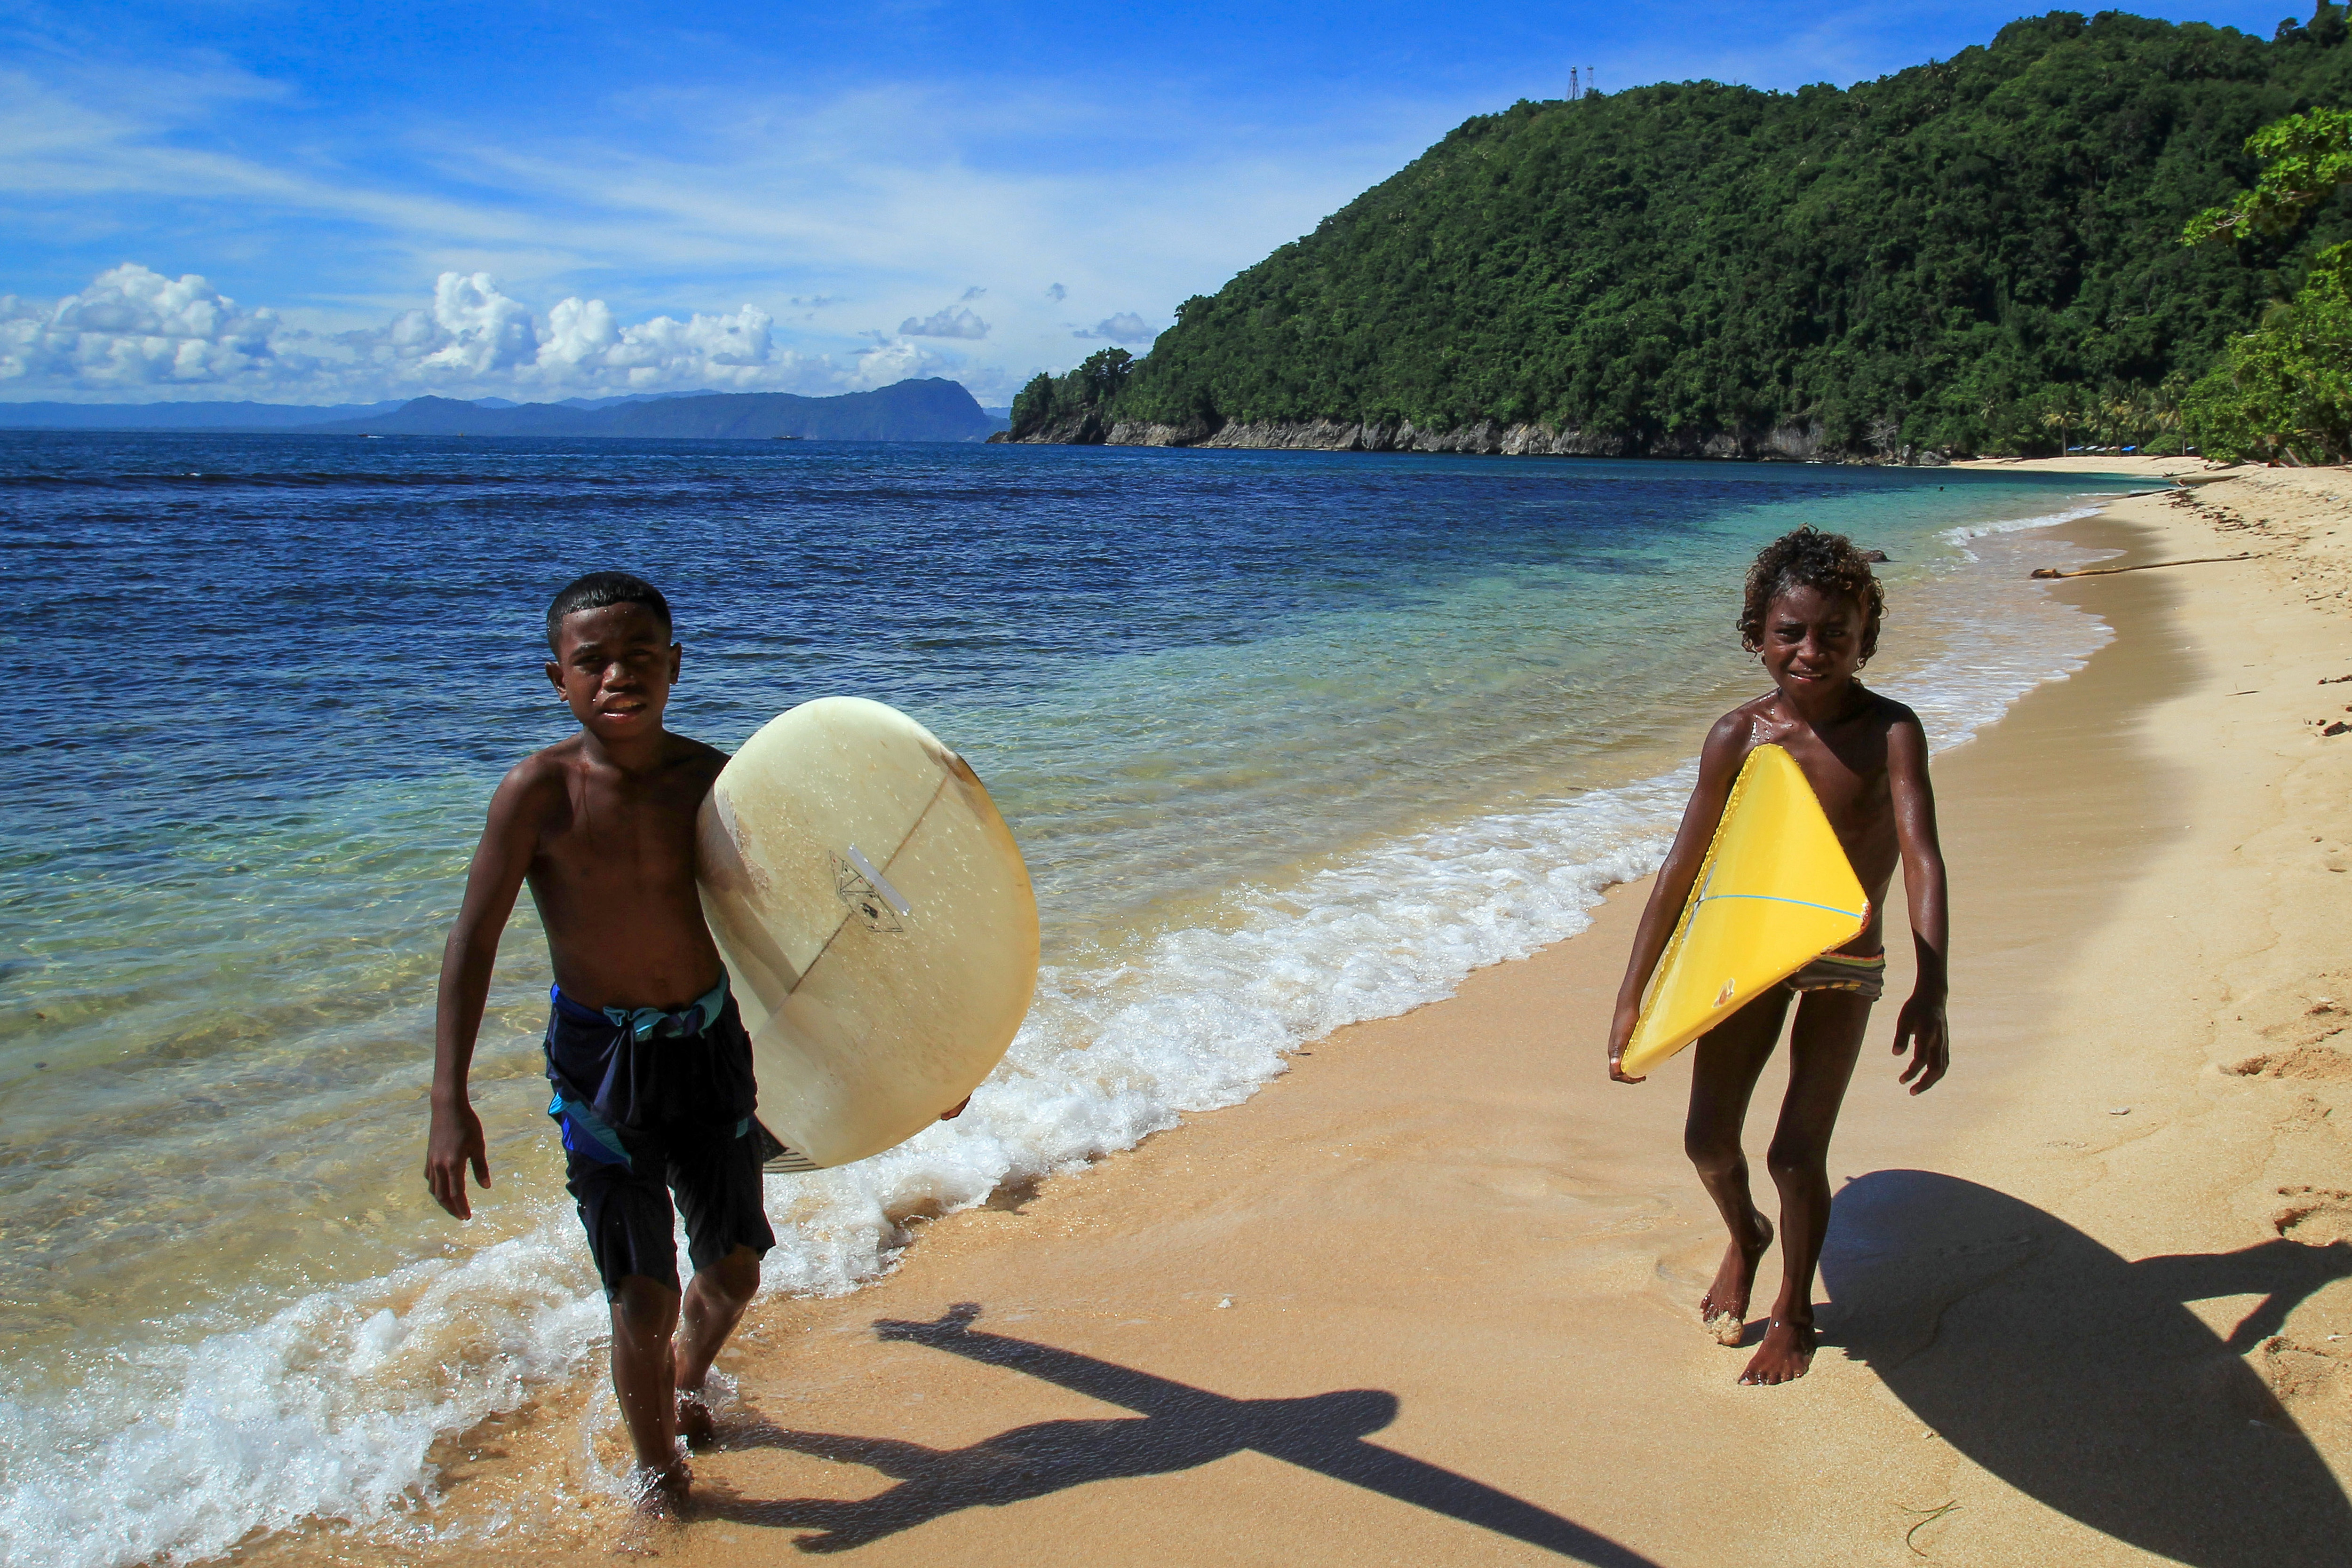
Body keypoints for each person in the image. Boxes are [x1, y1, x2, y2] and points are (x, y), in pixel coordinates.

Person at [423, 571, 769, 1510]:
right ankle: (659, 1477)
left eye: (641, 656)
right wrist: (449, 1098)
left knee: (734, 1269)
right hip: (601, 1069)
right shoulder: (536, 793)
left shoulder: (713, 782)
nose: (620, 674)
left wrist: (911, 1057)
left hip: (707, 1047)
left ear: (676, 665)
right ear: (559, 679)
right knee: (642, 1295)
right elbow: (472, 942)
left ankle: (685, 1377)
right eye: (594, 660)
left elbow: (796, 930)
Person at [1604, 527, 1950, 1386]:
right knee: (1708, 1141)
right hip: (1751, 955)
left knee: (1796, 1153)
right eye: (1790, 632)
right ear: (1756, 633)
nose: (1811, 651)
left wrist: (1932, 983)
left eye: (1836, 633)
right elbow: (1682, 869)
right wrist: (1634, 994)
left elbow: (1922, 858)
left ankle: (1794, 1308)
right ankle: (1747, 1233)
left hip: (1845, 963)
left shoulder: (1891, 731)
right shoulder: (1741, 735)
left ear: (1866, 637)